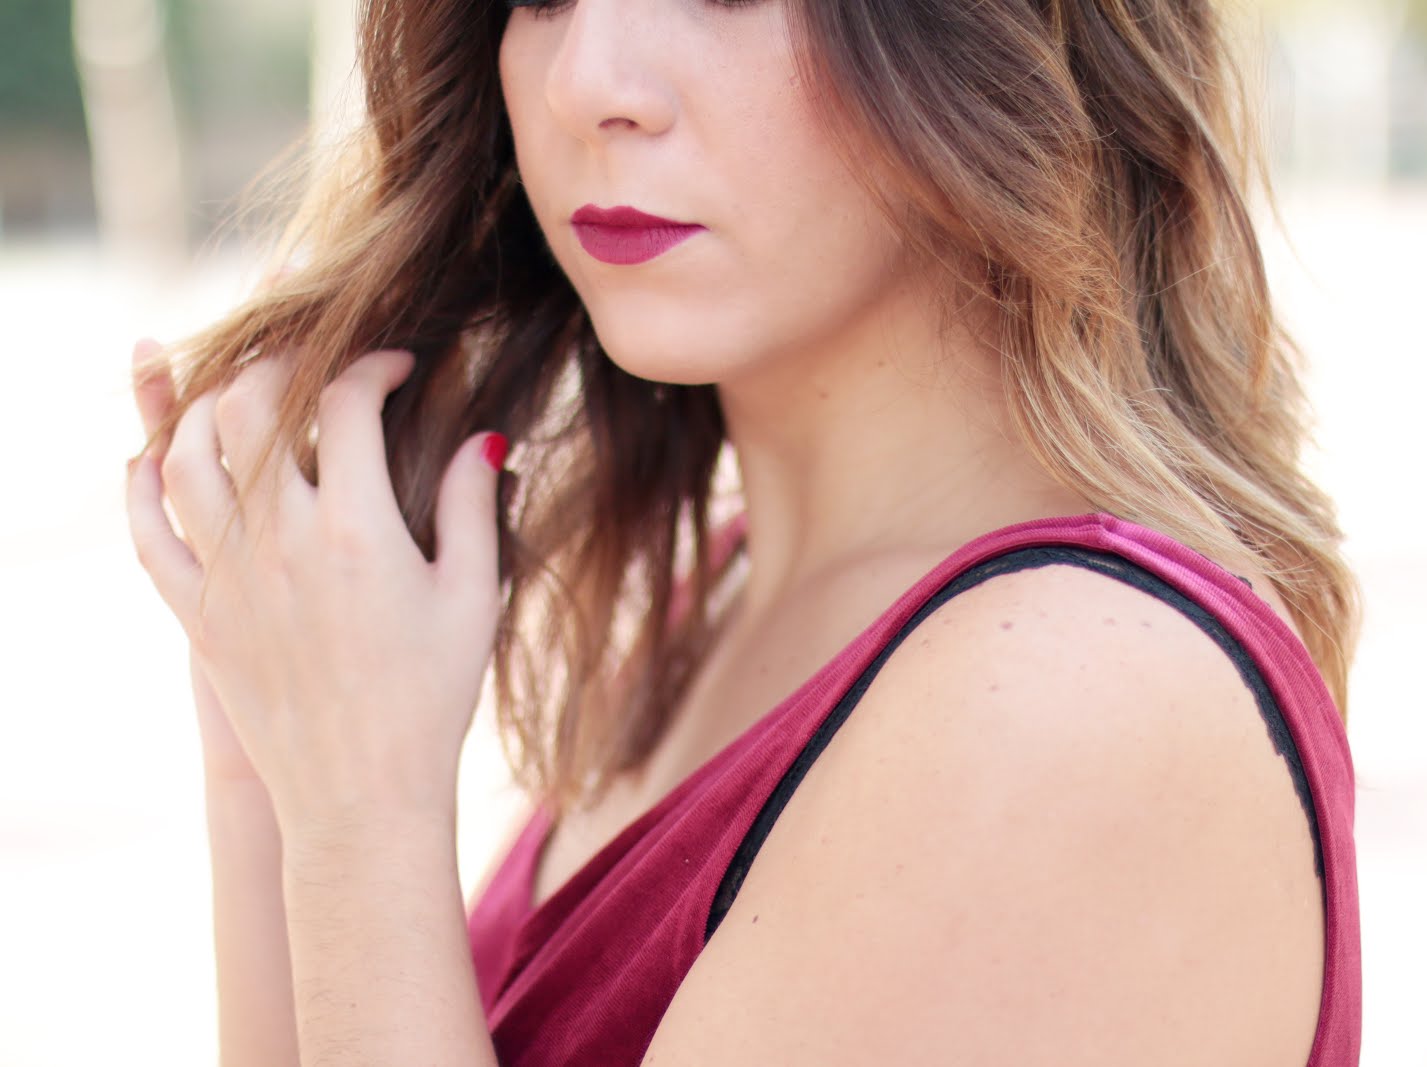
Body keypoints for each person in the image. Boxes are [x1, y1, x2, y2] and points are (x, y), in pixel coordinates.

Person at [124, 0, 1362, 1063]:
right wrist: (274, 764)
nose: (583, 83)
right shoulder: (726, 602)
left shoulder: (1070, 694)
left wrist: (362, 822)